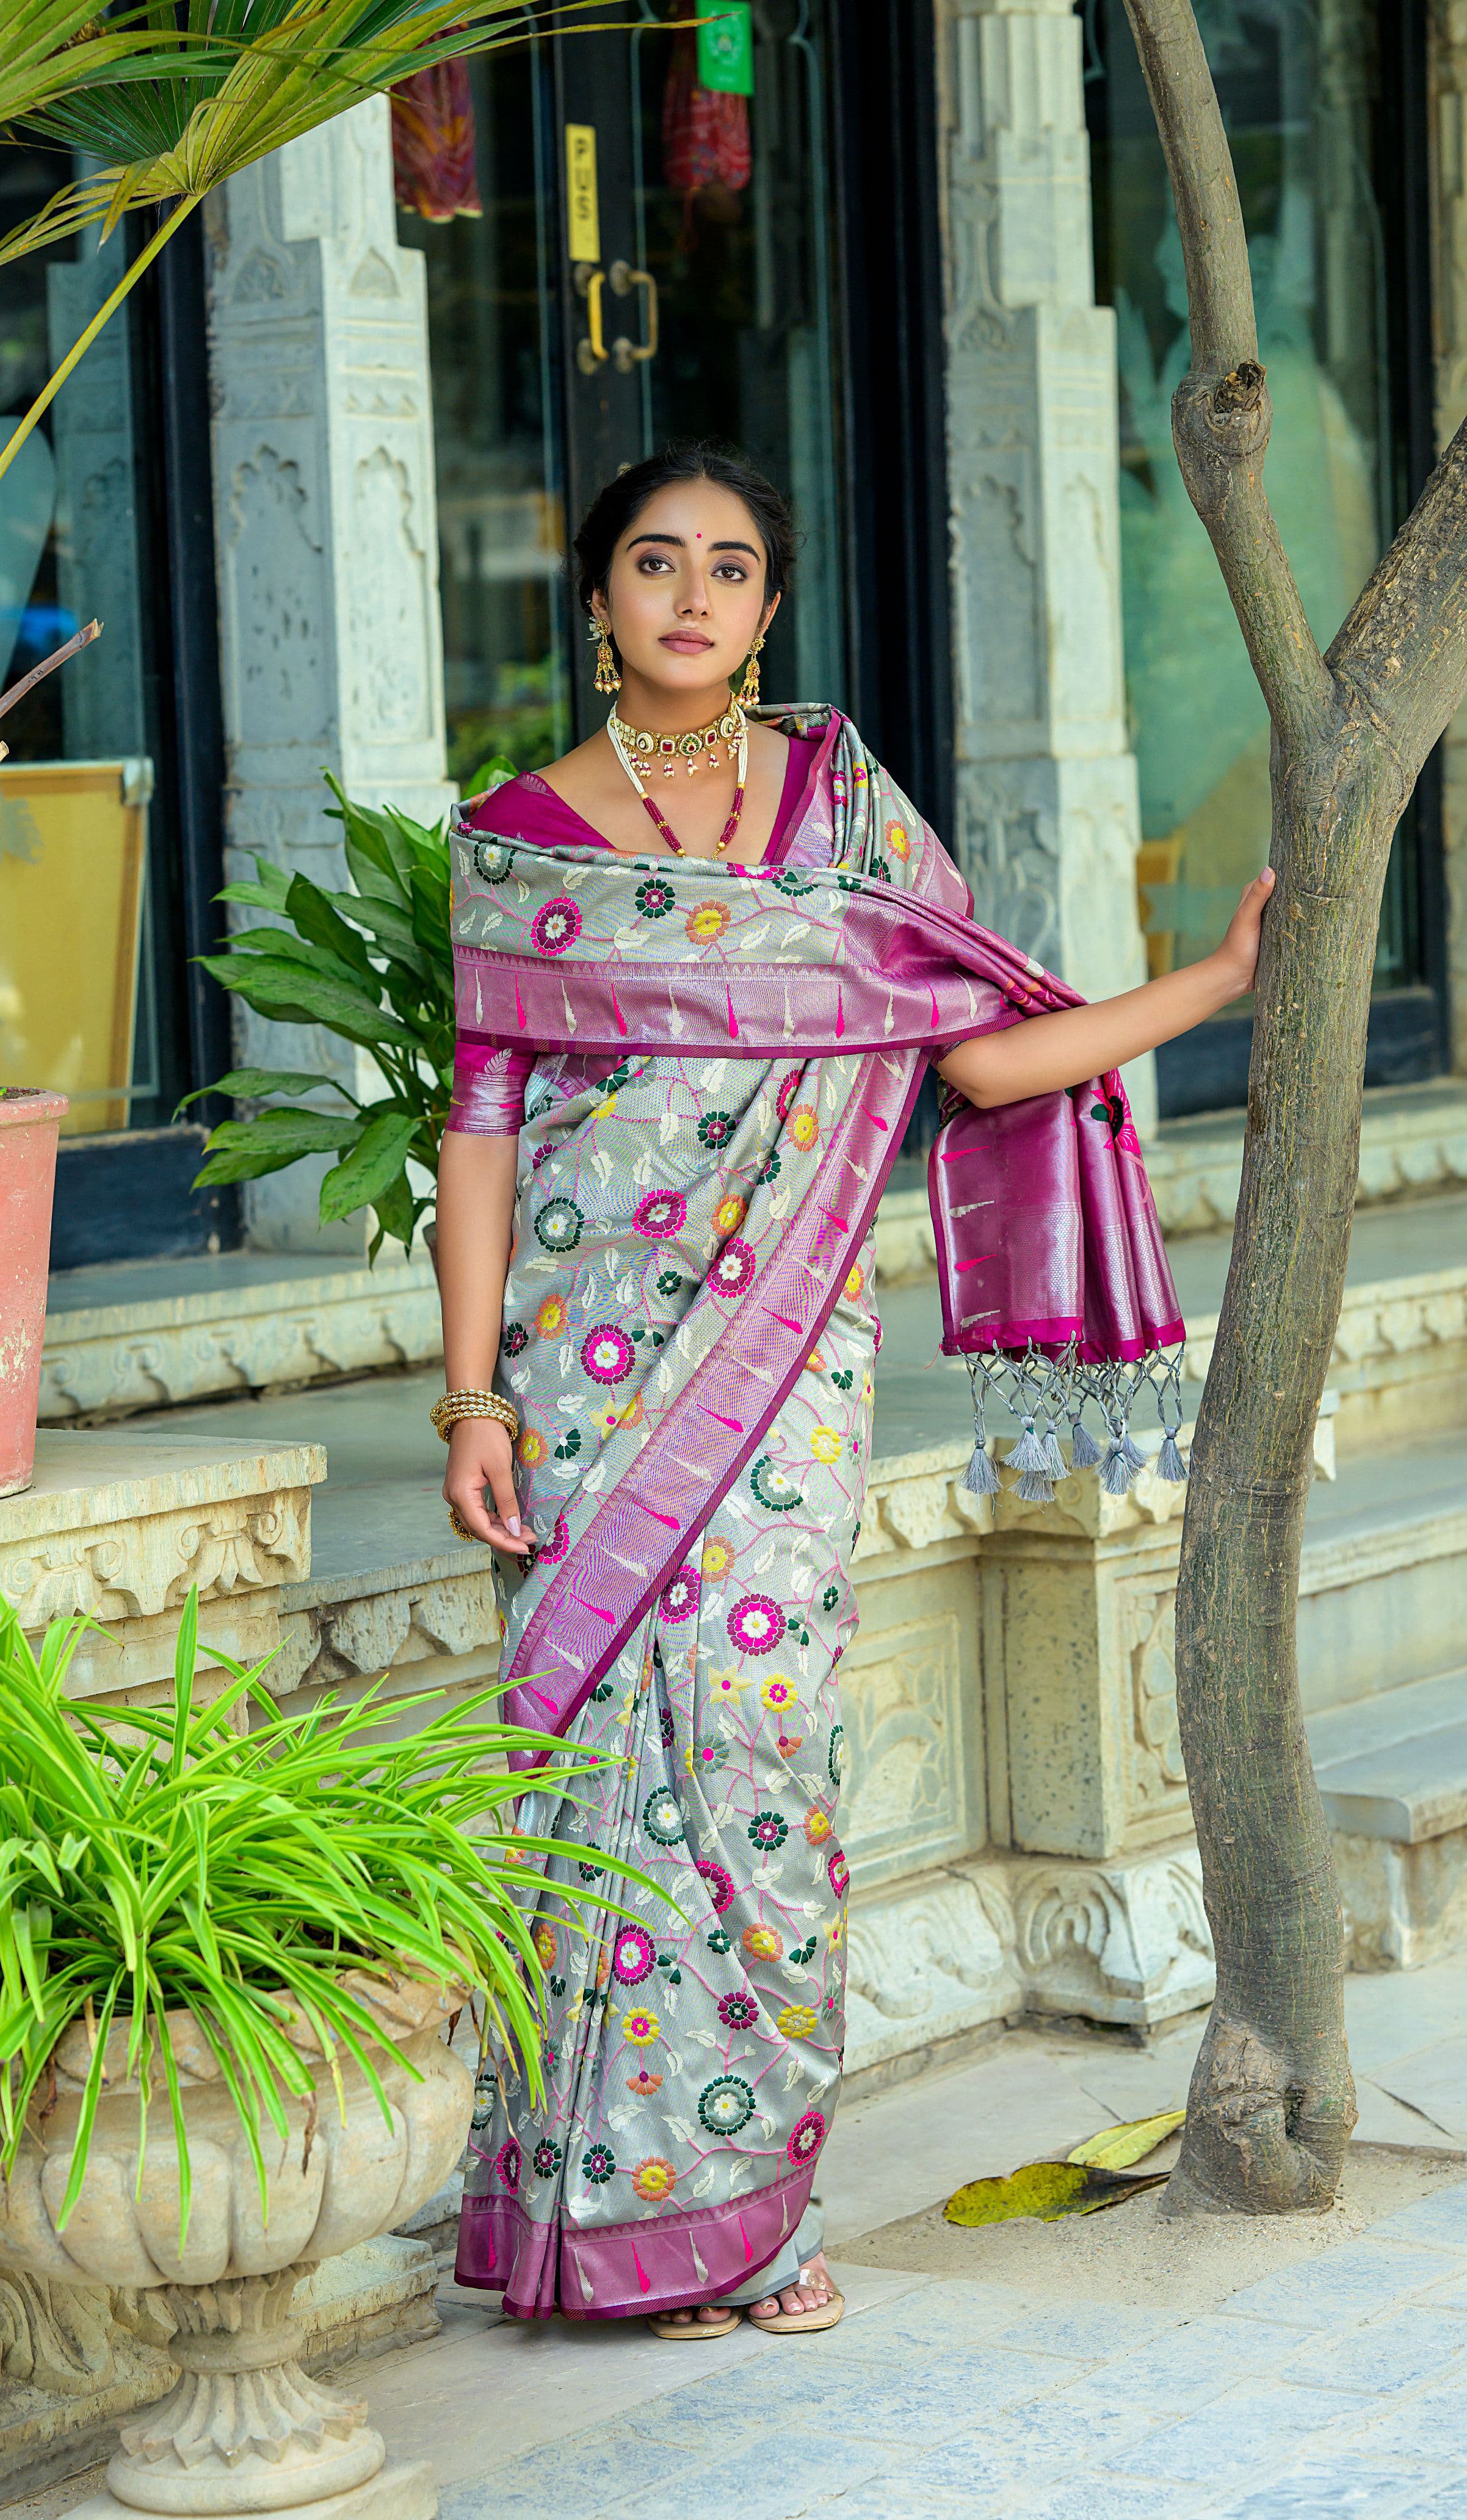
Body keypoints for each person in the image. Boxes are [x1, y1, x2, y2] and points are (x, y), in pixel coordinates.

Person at [435, 443, 1272, 2338]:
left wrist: (1208, 985)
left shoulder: (843, 814)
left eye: (731, 567)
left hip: (788, 1365)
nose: (693, 595)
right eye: (655, 562)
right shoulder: (518, 838)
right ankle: (588, 2228)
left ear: (769, 610)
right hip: (579, 1381)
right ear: (596, 599)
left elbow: (983, 1066)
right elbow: (479, 1132)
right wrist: (472, 1400)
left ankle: (734, 2218)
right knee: (588, 1797)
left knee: (757, 1773)